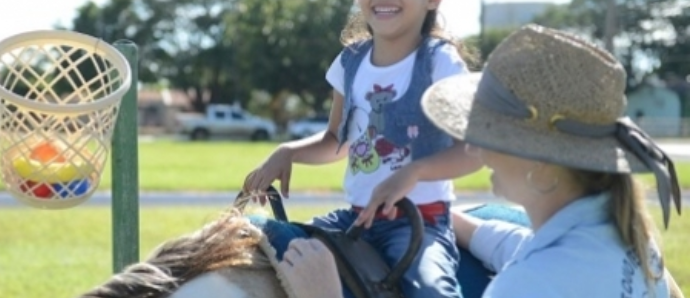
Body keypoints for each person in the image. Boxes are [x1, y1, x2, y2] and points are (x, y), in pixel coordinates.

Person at [275, 24, 685, 298]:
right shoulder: (630, 241)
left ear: (540, 164)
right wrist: (444, 218)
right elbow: (518, 246)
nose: (475, 147)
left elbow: (535, 272)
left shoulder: (524, 287)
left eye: (491, 133)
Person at [242, 0, 483, 297]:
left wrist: (414, 172)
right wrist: (288, 152)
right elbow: (336, 140)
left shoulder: (439, 61)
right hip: (355, 218)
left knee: (429, 288)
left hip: (418, 222)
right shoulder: (350, 61)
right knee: (270, 239)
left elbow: (472, 152)